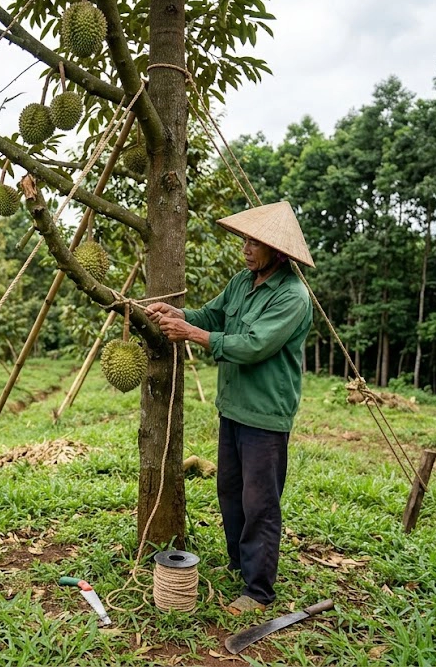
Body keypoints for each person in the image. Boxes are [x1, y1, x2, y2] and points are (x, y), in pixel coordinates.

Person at [146, 201, 314, 615]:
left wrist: (192, 333)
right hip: (233, 408)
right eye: (245, 239)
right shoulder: (243, 282)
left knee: (261, 502)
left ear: (278, 251)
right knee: (231, 493)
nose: (246, 248)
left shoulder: (292, 297)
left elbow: (253, 346)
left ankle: (258, 591)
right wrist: (180, 313)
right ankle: (241, 565)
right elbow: (214, 315)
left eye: (255, 242)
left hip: (265, 416)